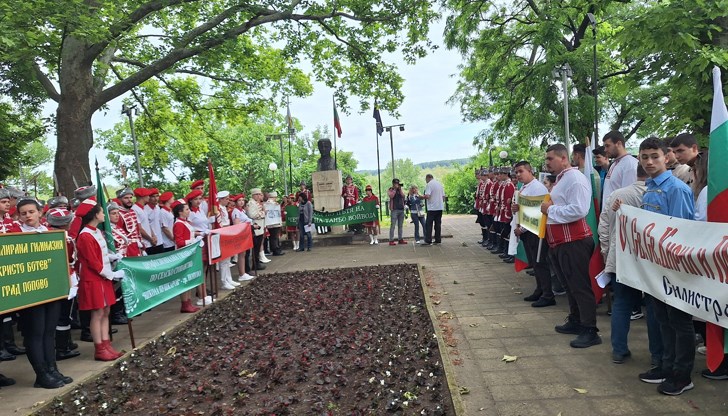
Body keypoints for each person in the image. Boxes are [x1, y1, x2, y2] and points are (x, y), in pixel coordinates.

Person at [635, 137, 695, 395]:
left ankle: (682, 375)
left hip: (674, 268)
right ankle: (667, 367)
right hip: (654, 268)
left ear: (666, 157)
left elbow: (683, 232)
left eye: (654, 156)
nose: (649, 162)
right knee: (661, 319)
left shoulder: (676, 189)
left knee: (679, 322)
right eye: (644, 156)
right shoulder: (648, 187)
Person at [8, 200, 73, 388]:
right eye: (23, 213)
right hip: (31, 293)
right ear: (19, 216)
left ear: (40, 213)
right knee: (35, 333)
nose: (28, 216)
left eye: (31, 212)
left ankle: (53, 369)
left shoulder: (51, 234)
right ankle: (41, 373)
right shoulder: (15, 236)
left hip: (51, 290)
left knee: (48, 332)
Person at [541, 143, 600, 348]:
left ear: (564, 158)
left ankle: (590, 329)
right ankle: (576, 320)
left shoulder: (575, 178)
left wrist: (550, 210)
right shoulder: (561, 179)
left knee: (580, 286)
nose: (547, 163)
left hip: (573, 241)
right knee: (569, 285)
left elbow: (579, 210)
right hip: (560, 242)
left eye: (550, 159)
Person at [598, 164, 651, 365]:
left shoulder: (617, 195)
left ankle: (619, 349)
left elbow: (604, 226)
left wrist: (606, 252)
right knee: (652, 309)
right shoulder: (655, 195)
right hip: (647, 261)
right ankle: (656, 356)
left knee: (622, 304)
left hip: (620, 257)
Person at [74, 199, 126, 362]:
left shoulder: (95, 231)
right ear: (95, 215)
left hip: (102, 277)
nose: (104, 214)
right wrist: (112, 275)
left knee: (106, 311)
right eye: (102, 212)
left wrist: (112, 256)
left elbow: (100, 254)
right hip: (93, 279)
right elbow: (92, 261)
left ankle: (106, 343)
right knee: (97, 313)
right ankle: (100, 348)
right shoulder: (85, 235)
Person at [511, 161, 553, 307]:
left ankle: (548, 294)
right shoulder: (523, 187)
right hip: (527, 230)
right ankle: (540, 289)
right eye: (516, 172)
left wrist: (522, 229)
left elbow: (537, 212)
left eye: (521, 171)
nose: (518, 175)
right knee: (535, 263)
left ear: (530, 171)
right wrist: (515, 208)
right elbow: (524, 208)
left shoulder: (537, 188)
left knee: (540, 262)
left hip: (536, 230)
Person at [45, 207, 81, 362]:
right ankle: (62, 348)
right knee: (64, 316)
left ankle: (63, 343)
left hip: (52, 279)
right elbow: (71, 260)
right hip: (66, 278)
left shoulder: (46, 236)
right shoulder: (66, 239)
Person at [172, 199, 203, 313]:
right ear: (180, 212)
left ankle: (188, 302)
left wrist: (199, 234)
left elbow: (189, 233)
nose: (189, 211)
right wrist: (193, 240)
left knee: (189, 278)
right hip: (183, 254)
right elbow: (179, 241)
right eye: (186, 209)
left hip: (189, 253)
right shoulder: (178, 224)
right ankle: (185, 303)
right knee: (184, 279)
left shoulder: (184, 222)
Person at [601, 130, 638, 209]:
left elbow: (628, 197)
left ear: (618, 144)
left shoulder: (630, 164)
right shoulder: (614, 164)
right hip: (608, 216)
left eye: (607, 146)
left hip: (619, 217)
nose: (605, 150)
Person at [215, 191, 240, 290]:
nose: (228, 201)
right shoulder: (218, 209)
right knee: (223, 260)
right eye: (226, 199)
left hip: (227, 232)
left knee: (227, 259)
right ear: (220, 200)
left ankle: (228, 279)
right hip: (222, 233)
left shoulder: (224, 208)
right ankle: (224, 281)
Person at [231, 195, 255, 281]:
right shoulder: (236, 212)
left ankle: (243, 272)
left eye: (242, 200)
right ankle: (241, 273)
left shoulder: (242, 211)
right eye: (239, 200)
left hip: (245, 233)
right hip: (241, 234)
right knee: (241, 254)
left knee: (243, 254)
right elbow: (237, 224)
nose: (241, 202)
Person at [421, 174, 445, 246]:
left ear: (428, 178)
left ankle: (428, 240)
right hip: (440, 207)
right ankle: (438, 239)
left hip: (432, 208)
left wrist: (421, 197)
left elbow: (427, 196)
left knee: (429, 224)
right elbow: (443, 197)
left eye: (426, 180)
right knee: (438, 224)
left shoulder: (429, 184)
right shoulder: (439, 184)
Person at [246, 188, 268, 264]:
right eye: (257, 194)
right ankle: (255, 263)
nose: (259, 196)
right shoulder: (251, 203)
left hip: (260, 227)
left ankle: (257, 261)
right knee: (256, 246)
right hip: (256, 227)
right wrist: (263, 214)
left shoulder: (257, 203)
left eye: (259, 194)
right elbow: (252, 215)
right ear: (253, 195)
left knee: (258, 246)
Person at [144, 188, 165, 255]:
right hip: (150, 241)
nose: (156, 199)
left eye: (157, 196)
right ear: (148, 197)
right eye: (153, 196)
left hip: (160, 240)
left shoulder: (158, 208)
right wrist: (152, 238)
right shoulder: (145, 209)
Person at [265, 191, 285, 257]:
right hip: (275, 222)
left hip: (269, 223)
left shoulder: (265, 204)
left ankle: (274, 249)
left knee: (272, 237)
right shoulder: (274, 204)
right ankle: (276, 250)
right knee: (275, 237)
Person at [387, 178, 407, 245]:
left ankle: (400, 239)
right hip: (394, 210)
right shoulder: (390, 189)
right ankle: (391, 240)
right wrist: (395, 190)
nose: (397, 185)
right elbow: (391, 196)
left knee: (400, 225)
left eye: (398, 183)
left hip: (401, 209)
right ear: (393, 184)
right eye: (396, 183)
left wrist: (400, 189)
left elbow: (403, 196)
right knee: (393, 225)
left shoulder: (400, 189)